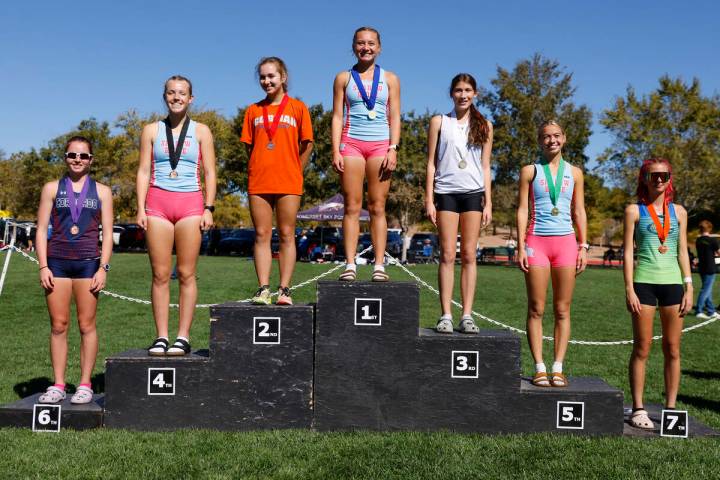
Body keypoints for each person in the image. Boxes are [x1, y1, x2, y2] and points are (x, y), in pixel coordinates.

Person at [137, 75, 217, 356]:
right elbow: (144, 171)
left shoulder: (201, 131)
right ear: (165, 96)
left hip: (190, 205)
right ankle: (161, 336)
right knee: (159, 274)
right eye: (171, 93)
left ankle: (182, 337)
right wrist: (140, 208)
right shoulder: (150, 130)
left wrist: (209, 207)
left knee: (186, 273)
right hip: (157, 204)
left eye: (182, 93)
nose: (176, 97)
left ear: (190, 98)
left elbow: (209, 172)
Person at [35, 136, 113, 403]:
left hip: (88, 264)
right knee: (59, 325)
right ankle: (58, 384)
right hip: (57, 262)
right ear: (65, 157)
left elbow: (108, 232)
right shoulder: (51, 189)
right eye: (72, 155)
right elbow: (41, 230)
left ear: (91, 160)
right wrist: (43, 265)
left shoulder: (103, 191)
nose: (77, 160)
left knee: (86, 325)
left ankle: (84, 384)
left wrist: (103, 268)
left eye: (83, 156)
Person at [517, 120, 588, 387]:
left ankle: (557, 367)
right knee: (536, 307)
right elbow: (522, 209)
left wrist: (583, 245)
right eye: (546, 137)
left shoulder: (576, 173)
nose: (552, 140)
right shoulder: (529, 171)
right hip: (537, 242)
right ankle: (539, 367)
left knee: (562, 309)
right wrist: (521, 245)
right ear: (539, 140)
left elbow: (579, 211)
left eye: (556, 135)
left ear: (565, 138)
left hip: (566, 244)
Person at [623, 158, 692, 429]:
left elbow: (682, 251)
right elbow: (629, 253)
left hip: (673, 285)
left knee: (673, 349)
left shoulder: (680, 213)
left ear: (670, 178)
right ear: (644, 179)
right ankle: (638, 408)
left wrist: (689, 285)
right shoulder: (634, 211)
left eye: (664, 175)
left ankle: (670, 410)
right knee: (642, 348)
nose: (660, 180)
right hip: (644, 284)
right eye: (654, 176)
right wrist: (629, 287)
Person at [241, 57, 314, 305]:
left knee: (286, 233)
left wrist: (296, 169)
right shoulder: (253, 110)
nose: (266, 81)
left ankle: (284, 290)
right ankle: (263, 288)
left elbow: (307, 144)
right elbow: (250, 148)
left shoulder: (298, 108)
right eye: (262, 77)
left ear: (283, 77)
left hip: (288, 180)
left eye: (271, 76)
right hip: (259, 181)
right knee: (261, 234)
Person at [425, 73, 493, 334]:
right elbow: (431, 163)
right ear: (451, 94)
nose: (463, 95)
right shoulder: (439, 122)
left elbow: (486, 166)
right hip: (446, 192)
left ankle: (467, 315)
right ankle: (445, 314)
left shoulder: (485, 124)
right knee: (447, 255)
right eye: (458, 90)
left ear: (475, 94)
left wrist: (489, 202)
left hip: (473, 193)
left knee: (468, 255)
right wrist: (429, 198)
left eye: (467, 90)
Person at [332, 26, 401, 282]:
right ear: (354, 47)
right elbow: (337, 116)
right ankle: (349, 263)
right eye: (361, 43)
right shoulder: (343, 78)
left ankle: (379, 265)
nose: (366, 47)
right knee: (351, 206)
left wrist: (393, 148)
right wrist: (336, 148)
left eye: (371, 43)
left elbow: (395, 116)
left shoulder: (391, 79)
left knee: (377, 207)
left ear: (379, 47)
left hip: (381, 145)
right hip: (351, 144)